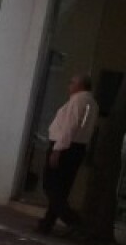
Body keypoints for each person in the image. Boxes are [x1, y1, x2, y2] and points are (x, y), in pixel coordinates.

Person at [37, 73, 98, 235]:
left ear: (81, 85)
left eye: (72, 82)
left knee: (50, 186)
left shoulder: (78, 100)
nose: (69, 85)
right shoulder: (91, 103)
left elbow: (70, 127)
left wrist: (58, 149)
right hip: (77, 148)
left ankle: (74, 221)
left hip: (66, 147)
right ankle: (47, 223)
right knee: (61, 188)